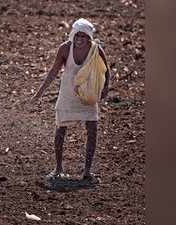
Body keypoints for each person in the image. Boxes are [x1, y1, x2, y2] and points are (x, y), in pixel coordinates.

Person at [31, 18, 111, 180]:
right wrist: (39, 93)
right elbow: (53, 72)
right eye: (77, 36)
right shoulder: (65, 49)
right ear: (73, 35)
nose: (80, 40)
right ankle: (58, 168)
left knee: (92, 129)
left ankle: (87, 171)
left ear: (89, 38)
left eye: (83, 37)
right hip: (68, 94)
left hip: (88, 96)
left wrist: (105, 88)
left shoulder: (96, 50)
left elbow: (106, 70)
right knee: (61, 129)